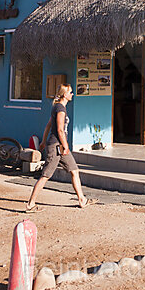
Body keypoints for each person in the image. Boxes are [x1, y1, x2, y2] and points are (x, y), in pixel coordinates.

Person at [25, 83, 97, 212]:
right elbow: (59, 130)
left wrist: (43, 142)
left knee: (74, 171)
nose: (72, 94)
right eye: (70, 92)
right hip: (57, 146)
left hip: (59, 146)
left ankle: (82, 200)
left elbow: (48, 126)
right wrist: (65, 145)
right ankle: (30, 204)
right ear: (65, 94)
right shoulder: (60, 109)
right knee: (46, 175)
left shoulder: (57, 107)